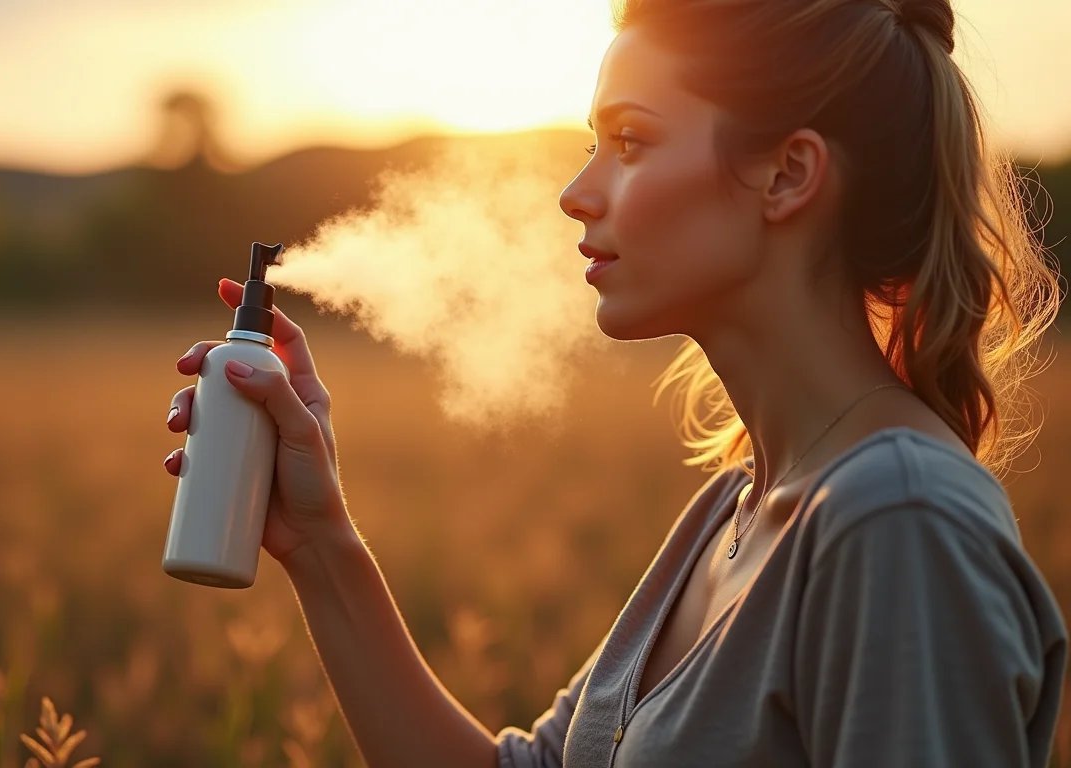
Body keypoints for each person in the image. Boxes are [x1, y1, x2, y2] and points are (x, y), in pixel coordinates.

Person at [162, 0, 1067, 764]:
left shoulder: (896, 524)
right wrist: (319, 542)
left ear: (788, 176)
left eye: (629, 141)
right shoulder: (732, 512)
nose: (576, 193)